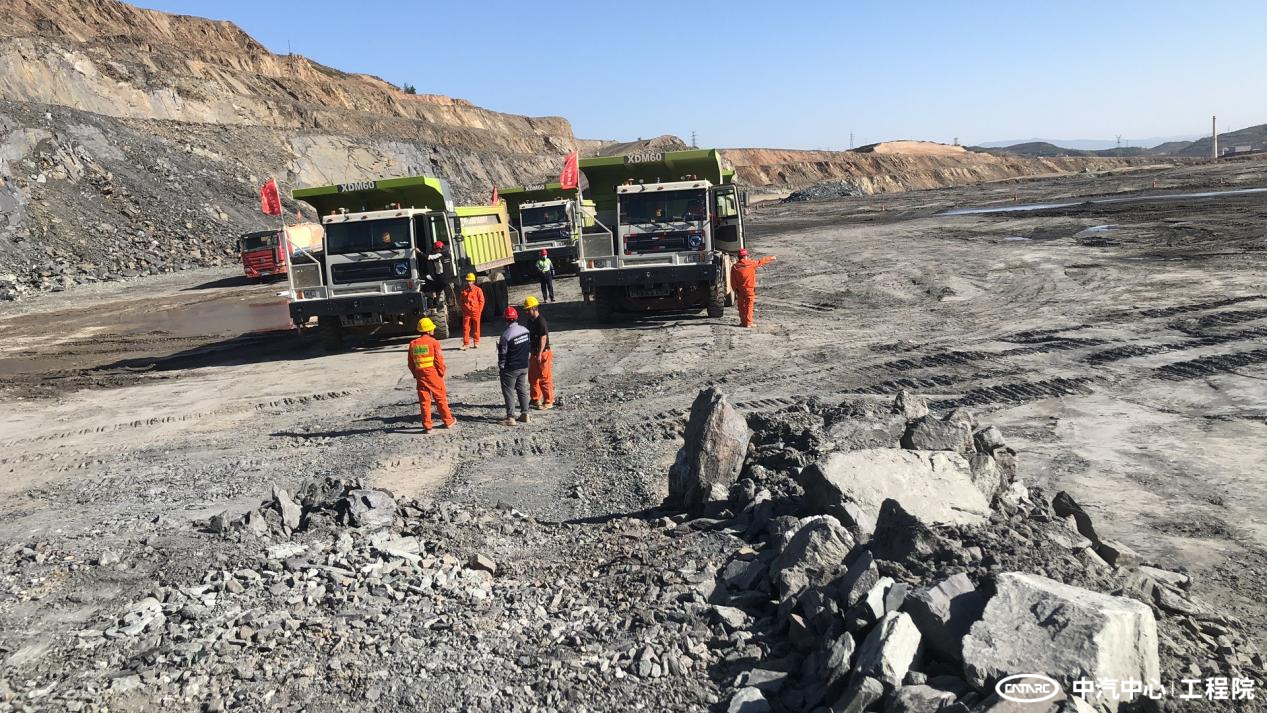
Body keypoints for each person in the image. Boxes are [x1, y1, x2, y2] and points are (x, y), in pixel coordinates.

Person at [406, 317, 455, 433]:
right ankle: (448, 421)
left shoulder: (413, 344)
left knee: (424, 401)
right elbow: (439, 361)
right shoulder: (434, 342)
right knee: (440, 397)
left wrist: (416, 374)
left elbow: (410, 363)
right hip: (432, 374)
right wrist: (441, 373)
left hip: (420, 375)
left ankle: (427, 426)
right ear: (428, 330)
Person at [497, 307, 532, 426]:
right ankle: (525, 414)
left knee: (509, 391)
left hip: (511, 368)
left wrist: (502, 367)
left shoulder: (506, 335)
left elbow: (502, 354)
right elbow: (528, 346)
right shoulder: (525, 331)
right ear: (516, 317)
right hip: (524, 365)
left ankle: (511, 417)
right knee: (522, 389)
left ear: (505, 319)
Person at [729, 248, 776, 328]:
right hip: (749, 290)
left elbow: (733, 281)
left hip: (740, 290)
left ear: (739, 257)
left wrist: (735, 290)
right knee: (749, 306)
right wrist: (771, 258)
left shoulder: (735, 267)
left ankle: (743, 322)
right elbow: (761, 261)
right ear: (745, 256)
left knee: (741, 306)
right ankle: (749, 323)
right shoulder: (751, 264)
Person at [523, 296, 553, 410]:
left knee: (544, 378)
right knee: (533, 377)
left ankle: (548, 401)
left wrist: (540, 354)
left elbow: (543, 338)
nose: (526, 312)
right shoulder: (530, 321)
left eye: (528, 309)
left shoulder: (541, 321)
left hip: (543, 353)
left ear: (534, 308)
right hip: (534, 353)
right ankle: (535, 399)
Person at [459, 272, 484, 350]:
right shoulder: (463, 290)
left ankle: (476, 342)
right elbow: (461, 301)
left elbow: (482, 301)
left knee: (476, 327)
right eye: (467, 281)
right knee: (466, 328)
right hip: (466, 312)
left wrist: (479, 311)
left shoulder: (478, 290)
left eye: (470, 281)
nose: (468, 282)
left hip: (476, 311)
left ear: (473, 281)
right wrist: (463, 310)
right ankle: (466, 344)